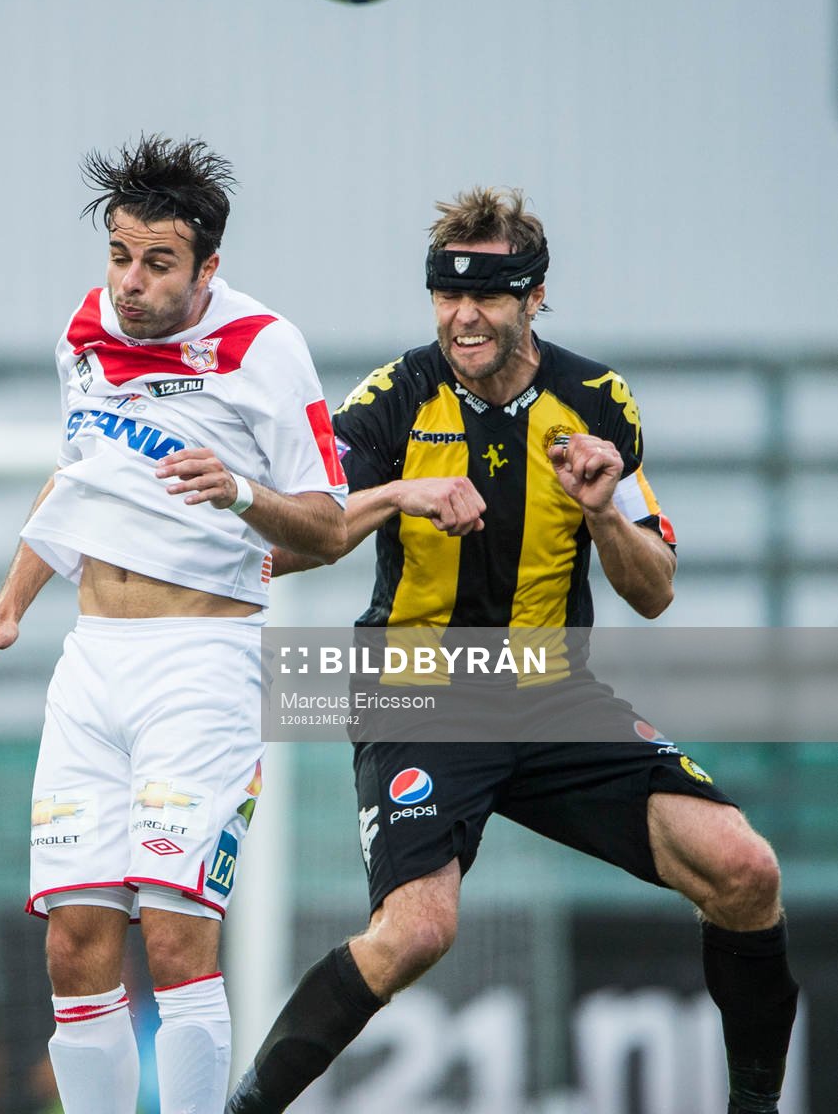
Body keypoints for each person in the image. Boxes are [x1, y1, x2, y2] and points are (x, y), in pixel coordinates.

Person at [226, 187, 798, 1114]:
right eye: (446, 294)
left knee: (744, 869)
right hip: (415, 693)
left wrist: (601, 510)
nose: (463, 315)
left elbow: (652, 592)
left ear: (534, 297)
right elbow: (292, 545)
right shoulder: (389, 401)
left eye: (488, 294)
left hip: (550, 695)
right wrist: (396, 495)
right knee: (416, 932)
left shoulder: (595, 403)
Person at [0, 134, 347, 1114]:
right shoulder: (84, 331)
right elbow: (81, 479)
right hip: (91, 664)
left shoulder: (263, 348)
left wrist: (241, 492)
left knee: (172, 931)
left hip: (202, 663)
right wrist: (9, 604)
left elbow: (326, 525)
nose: (131, 282)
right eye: (119, 256)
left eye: (158, 262)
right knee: (72, 939)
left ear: (207, 267)